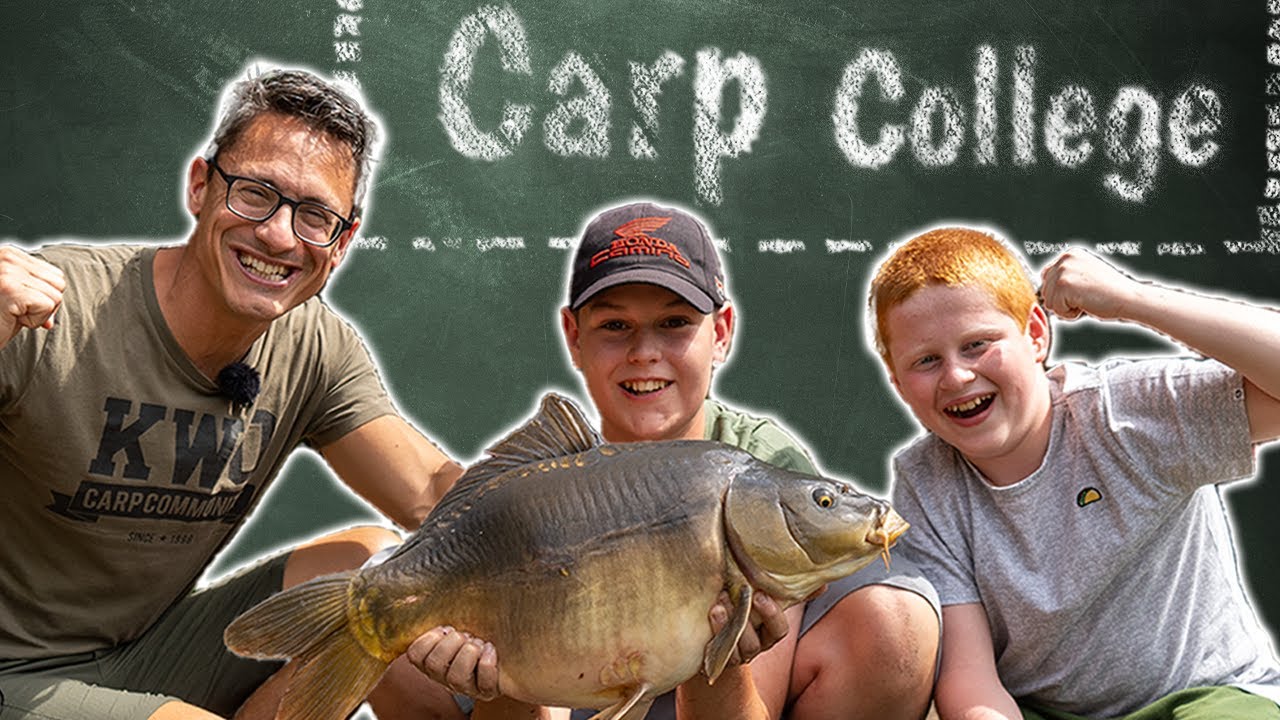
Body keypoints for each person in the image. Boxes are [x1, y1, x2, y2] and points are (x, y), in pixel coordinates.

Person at [0, 66, 477, 720]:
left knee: (369, 573)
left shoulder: (316, 351)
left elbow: (435, 497)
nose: (280, 234)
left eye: (314, 215)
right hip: (13, 673)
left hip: (149, 651)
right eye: (255, 193)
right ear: (200, 185)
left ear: (343, 242)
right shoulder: (49, 309)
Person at [410, 201, 941, 720]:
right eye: (615, 326)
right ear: (574, 336)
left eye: (674, 323)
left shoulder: (762, 465)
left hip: (698, 694)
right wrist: (498, 689)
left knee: (898, 618)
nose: (645, 352)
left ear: (722, 332)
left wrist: (725, 658)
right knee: (394, 639)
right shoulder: (539, 485)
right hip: (561, 673)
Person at [868, 226, 1280, 720]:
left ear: (1036, 334)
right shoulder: (926, 483)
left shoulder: (1125, 413)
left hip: (1205, 697)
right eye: (926, 360)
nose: (956, 376)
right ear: (896, 381)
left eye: (977, 344)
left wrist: (1131, 299)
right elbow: (968, 676)